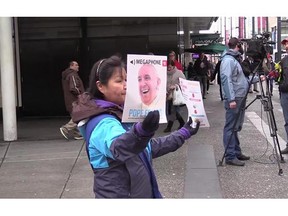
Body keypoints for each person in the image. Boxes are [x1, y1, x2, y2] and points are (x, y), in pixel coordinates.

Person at [71, 55, 200, 198]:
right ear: (100, 86)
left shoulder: (121, 113)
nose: (126, 85)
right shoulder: (101, 122)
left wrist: (182, 133)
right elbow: (119, 147)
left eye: (127, 80)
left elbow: (147, 147)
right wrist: (141, 132)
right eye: (119, 81)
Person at [220, 37, 251, 166]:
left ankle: (236, 152)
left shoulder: (234, 59)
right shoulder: (228, 60)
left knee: (235, 127)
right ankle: (230, 156)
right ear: (237, 45)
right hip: (235, 98)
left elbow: (240, 79)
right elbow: (226, 79)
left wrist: (256, 78)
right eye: (242, 45)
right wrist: (231, 98)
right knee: (231, 127)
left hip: (239, 97)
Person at [60, 61, 85, 140]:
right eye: (76, 65)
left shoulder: (67, 75)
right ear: (71, 66)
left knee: (75, 115)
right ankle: (66, 128)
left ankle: (77, 134)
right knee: (79, 116)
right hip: (74, 100)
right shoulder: (72, 75)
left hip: (70, 100)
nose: (78, 66)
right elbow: (74, 87)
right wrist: (81, 95)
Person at [164, 59, 187, 133]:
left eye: (170, 67)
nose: (169, 69)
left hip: (175, 95)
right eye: (168, 67)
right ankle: (182, 123)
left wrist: (176, 86)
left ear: (174, 66)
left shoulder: (179, 73)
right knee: (172, 111)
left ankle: (169, 127)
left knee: (172, 111)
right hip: (168, 95)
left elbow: (184, 82)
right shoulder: (165, 73)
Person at [278, 38, 288, 154]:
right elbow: (276, 74)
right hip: (285, 92)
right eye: (285, 43)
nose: (286, 45)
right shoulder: (283, 60)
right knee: (287, 121)